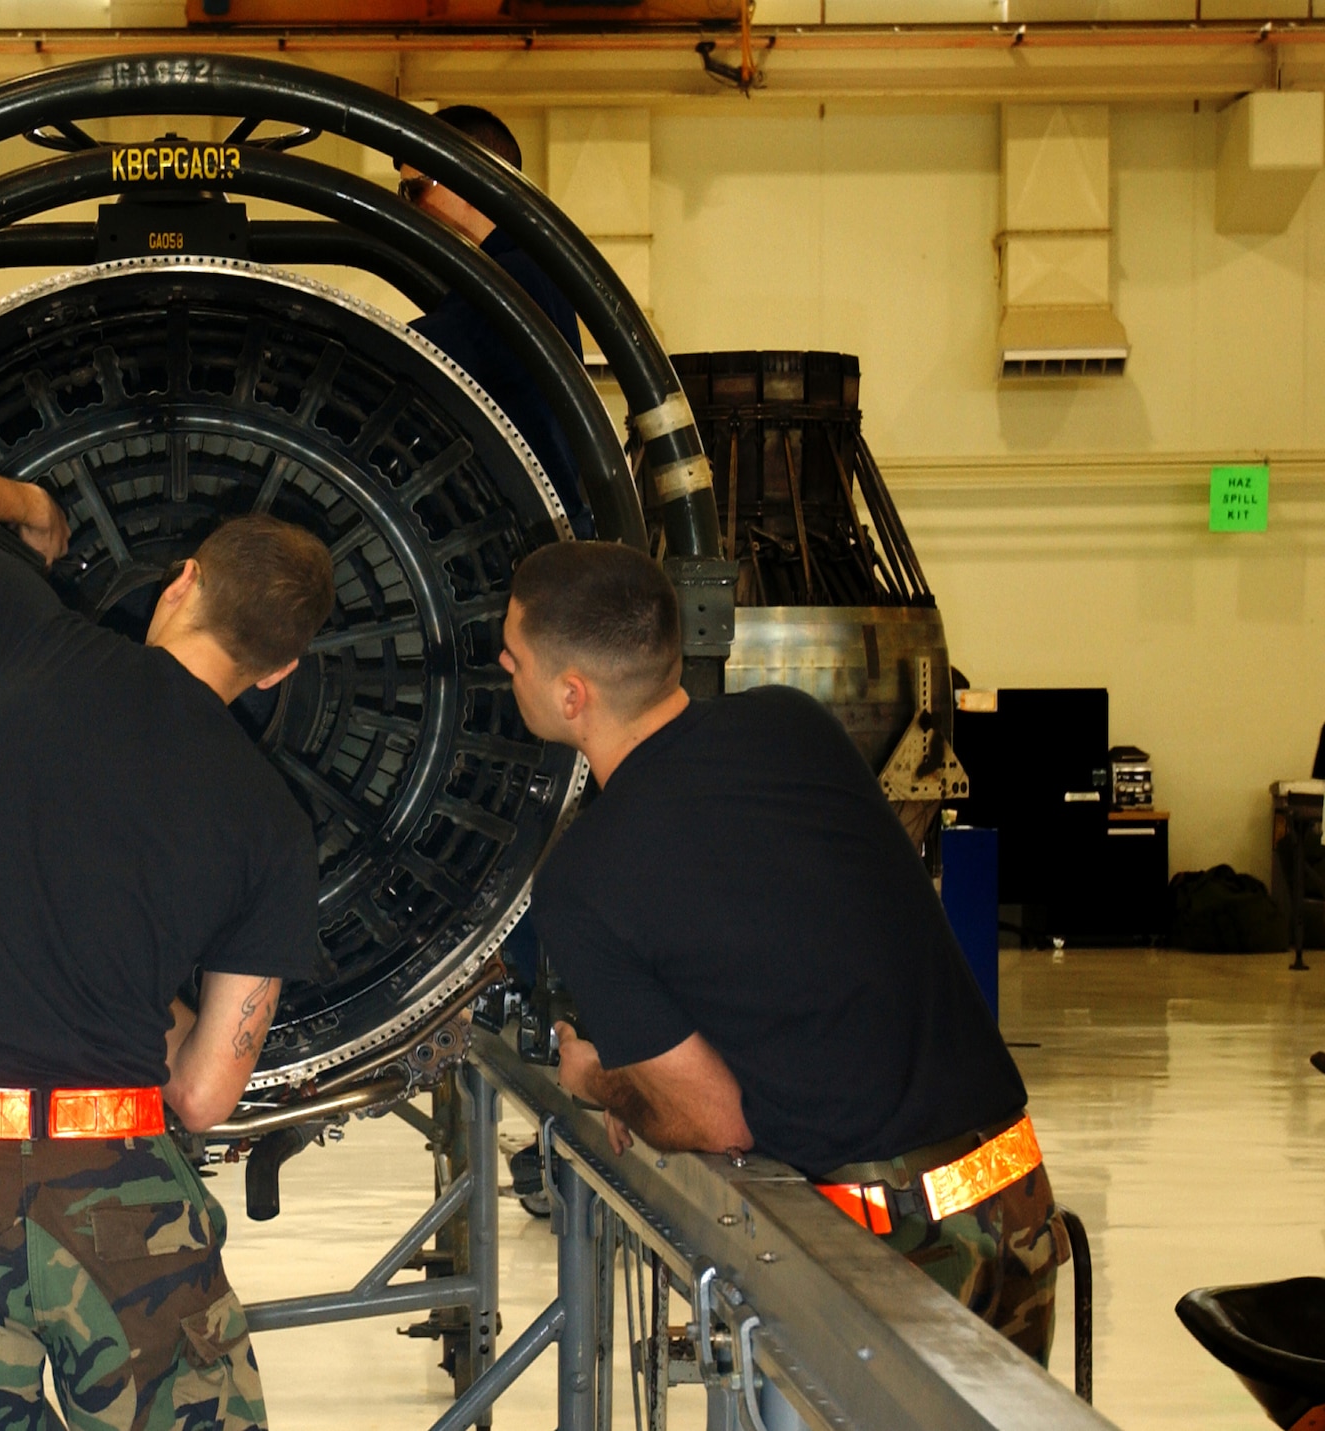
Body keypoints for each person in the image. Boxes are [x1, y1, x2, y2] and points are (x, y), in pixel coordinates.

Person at [0, 456, 335, 1431]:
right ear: (279, 669)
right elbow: (202, 1094)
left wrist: (32, 512)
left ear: (182, 578)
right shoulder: (272, 825)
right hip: (113, 1174)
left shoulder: (33, 643)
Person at [501, 540, 1067, 1364]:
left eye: (513, 657)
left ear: (571, 693)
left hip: (897, 1249)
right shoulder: (791, 721)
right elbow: (784, 929)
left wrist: (599, 1079)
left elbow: (712, 1117)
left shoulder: (584, 880)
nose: (503, 667)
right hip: (1016, 1194)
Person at [398, 105, 595, 538]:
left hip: (527, 543)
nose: (409, 207)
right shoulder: (517, 269)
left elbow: (413, 358)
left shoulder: (510, 281)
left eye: (415, 190)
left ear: (468, 179)